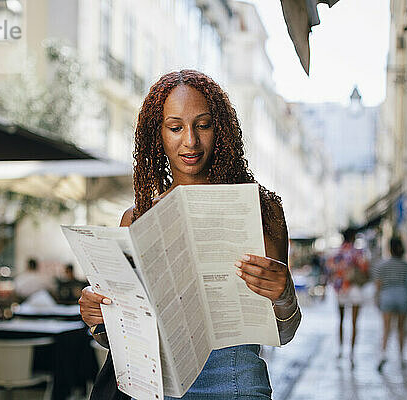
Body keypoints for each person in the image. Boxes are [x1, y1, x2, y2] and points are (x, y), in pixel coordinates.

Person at [79, 70, 301, 399]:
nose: (190, 141)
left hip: (237, 385)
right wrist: (99, 319)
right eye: (175, 127)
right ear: (158, 135)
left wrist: (284, 295)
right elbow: (122, 340)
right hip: (156, 387)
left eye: (203, 124)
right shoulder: (136, 219)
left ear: (220, 130)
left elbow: (283, 333)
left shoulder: (261, 210)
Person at [326, 227, 370, 366]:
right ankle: (351, 352)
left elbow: (330, 267)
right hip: (355, 288)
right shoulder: (357, 252)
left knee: (341, 320)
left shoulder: (337, 252)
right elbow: (364, 267)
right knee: (354, 322)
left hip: (340, 288)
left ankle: (340, 349)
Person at [373, 236, 407, 372]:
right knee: (401, 328)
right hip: (403, 296)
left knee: (386, 328)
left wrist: (377, 298)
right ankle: (401, 357)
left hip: (387, 296)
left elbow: (378, 284)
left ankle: (383, 355)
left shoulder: (382, 265)